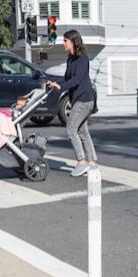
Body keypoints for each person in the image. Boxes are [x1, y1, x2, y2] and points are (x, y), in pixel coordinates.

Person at [48, 29, 97, 176]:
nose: (63, 43)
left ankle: (81, 162)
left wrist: (61, 87)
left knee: (70, 129)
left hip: (84, 99)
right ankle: (92, 162)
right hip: (78, 99)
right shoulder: (70, 58)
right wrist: (55, 83)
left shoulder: (83, 59)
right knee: (82, 131)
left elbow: (77, 80)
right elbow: (67, 77)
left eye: (65, 41)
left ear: (73, 41)